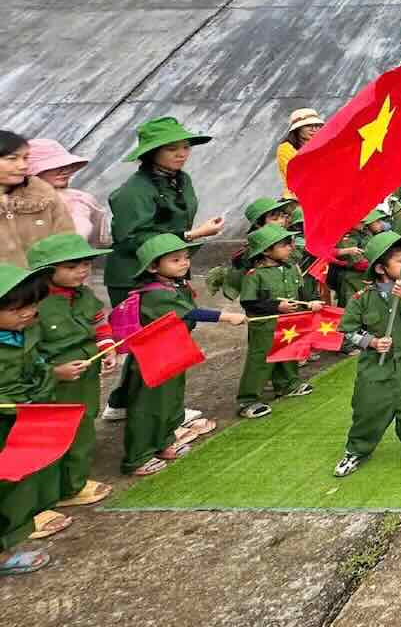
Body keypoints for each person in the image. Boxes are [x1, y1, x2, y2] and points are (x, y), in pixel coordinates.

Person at [100, 117, 225, 423]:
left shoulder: (180, 179)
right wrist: (192, 236)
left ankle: (121, 402)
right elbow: (131, 239)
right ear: (151, 152)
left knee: (156, 340)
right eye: (172, 149)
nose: (182, 154)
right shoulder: (133, 191)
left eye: (185, 147)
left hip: (168, 270)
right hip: (135, 276)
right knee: (158, 342)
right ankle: (164, 414)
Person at [120, 234, 247, 476]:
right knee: (149, 404)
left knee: (171, 399)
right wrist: (227, 316)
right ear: (153, 266)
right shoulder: (156, 294)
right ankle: (137, 456)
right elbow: (190, 313)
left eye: (186, 258)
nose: (184, 263)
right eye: (175, 260)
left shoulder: (174, 285)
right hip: (154, 353)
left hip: (174, 347)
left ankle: (163, 442)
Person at [334, 231, 401, 477]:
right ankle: (357, 450)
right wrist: (371, 342)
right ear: (380, 268)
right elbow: (348, 330)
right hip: (374, 363)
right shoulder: (362, 298)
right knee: (367, 406)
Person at [26, 234, 115, 508]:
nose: (83, 271)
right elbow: (26, 351)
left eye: (86, 264)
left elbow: (98, 320)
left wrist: (106, 344)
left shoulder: (83, 294)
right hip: (53, 380)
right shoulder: (33, 305)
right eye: (72, 266)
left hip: (85, 371)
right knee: (54, 432)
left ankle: (72, 485)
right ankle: (50, 494)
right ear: (47, 271)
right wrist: (53, 371)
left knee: (84, 424)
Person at [0, 264, 63, 574]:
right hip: (6, 421)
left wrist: (45, 385)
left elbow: (39, 367)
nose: (27, 314)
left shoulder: (23, 333)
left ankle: (8, 543)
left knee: (17, 486)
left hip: (22, 419)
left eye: (32, 306)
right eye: (16, 309)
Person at [234, 225, 314, 418]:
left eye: (290, 243)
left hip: (289, 322)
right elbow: (249, 303)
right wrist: (276, 307)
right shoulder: (255, 275)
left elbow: (301, 292)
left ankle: (288, 385)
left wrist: (310, 303)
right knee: (261, 360)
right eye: (284, 244)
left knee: (288, 353)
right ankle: (248, 400)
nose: (290, 248)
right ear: (266, 251)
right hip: (265, 325)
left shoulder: (291, 269)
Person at [0, 131, 75, 269]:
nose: (23, 166)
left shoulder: (42, 194)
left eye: (25, 158)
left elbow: (67, 242)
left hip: (40, 286)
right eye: (12, 158)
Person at [26, 139, 109, 247]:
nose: (65, 170)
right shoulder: (11, 202)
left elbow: (93, 243)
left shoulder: (80, 200)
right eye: (55, 166)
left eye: (66, 165)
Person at [276, 108, 324, 198]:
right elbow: (295, 176)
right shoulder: (285, 148)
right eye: (308, 125)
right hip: (297, 198)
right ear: (298, 128)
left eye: (317, 125)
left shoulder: (322, 145)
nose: (314, 129)